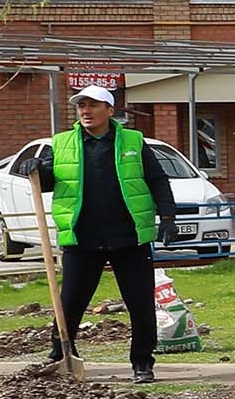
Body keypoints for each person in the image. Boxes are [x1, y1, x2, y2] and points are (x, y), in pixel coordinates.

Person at [34, 85, 179, 383]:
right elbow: (50, 180)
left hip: (129, 237)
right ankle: (60, 354)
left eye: (93, 105)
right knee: (70, 301)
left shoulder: (134, 141)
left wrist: (167, 217)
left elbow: (158, 180)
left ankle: (142, 362)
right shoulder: (61, 144)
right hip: (82, 239)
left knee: (139, 303)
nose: (85, 111)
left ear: (110, 110)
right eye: (81, 106)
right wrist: (36, 168)